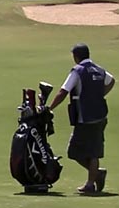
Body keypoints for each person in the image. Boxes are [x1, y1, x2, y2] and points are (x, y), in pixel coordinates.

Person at [48, 43, 115, 194]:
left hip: (86, 117)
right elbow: (111, 81)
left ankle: (92, 182)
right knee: (94, 151)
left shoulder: (78, 71)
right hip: (100, 115)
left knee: (74, 151)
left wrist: (50, 108)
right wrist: (99, 95)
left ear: (76, 57)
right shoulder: (98, 69)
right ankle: (96, 176)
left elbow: (63, 91)